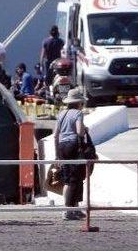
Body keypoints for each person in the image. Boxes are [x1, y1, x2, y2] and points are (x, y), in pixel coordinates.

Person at [53, 88, 88, 220]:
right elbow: (79, 131)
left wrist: (57, 155)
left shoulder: (62, 114)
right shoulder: (78, 113)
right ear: (79, 103)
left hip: (62, 146)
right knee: (76, 179)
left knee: (69, 179)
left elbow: (56, 135)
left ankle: (73, 208)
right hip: (73, 146)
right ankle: (69, 210)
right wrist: (85, 129)